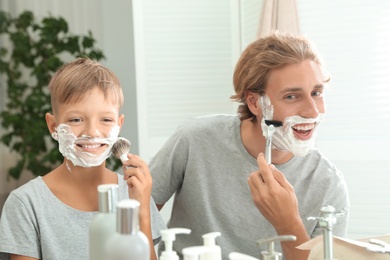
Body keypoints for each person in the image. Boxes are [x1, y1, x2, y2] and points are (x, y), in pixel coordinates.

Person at [150, 32, 349, 260]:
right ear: (255, 102)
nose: (312, 111)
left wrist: (288, 223)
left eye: (316, 93)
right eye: (292, 97)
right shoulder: (194, 139)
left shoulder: (328, 184)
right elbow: (137, 214)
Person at [0, 58, 166, 260]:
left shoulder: (134, 193)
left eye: (106, 119)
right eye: (76, 120)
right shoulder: (27, 204)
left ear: (119, 124)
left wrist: (141, 213)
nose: (92, 132)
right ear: (53, 126)